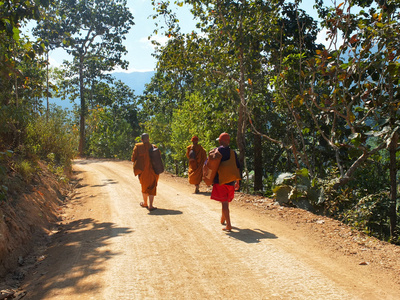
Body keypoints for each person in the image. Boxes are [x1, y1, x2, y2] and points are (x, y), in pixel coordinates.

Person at [211, 132, 241, 232]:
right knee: (226, 201)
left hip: (220, 181)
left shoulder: (216, 151)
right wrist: (237, 181)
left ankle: (228, 224)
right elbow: (237, 167)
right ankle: (223, 218)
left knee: (224, 202)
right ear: (228, 141)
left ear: (220, 141)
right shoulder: (233, 153)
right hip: (231, 181)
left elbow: (210, 165)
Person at [131, 133, 159, 211]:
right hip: (153, 171)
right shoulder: (154, 147)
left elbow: (133, 158)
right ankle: (150, 205)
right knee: (152, 187)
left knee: (144, 186)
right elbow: (158, 159)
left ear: (141, 140)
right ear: (149, 139)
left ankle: (145, 203)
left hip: (143, 171)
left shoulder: (138, 147)